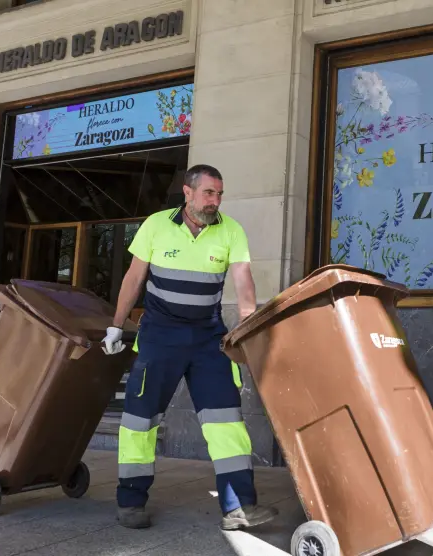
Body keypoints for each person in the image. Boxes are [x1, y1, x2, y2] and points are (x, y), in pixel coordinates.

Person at [101, 164, 278, 531]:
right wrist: (116, 326)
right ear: (188, 192)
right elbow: (135, 277)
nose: (215, 201)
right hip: (159, 335)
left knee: (226, 421)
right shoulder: (155, 225)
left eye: (219, 194)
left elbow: (244, 286)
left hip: (207, 338)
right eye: (209, 193)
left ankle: (239, 507)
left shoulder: (230, 230)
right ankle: (131, 501)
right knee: (139, 420)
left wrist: (247, 330)